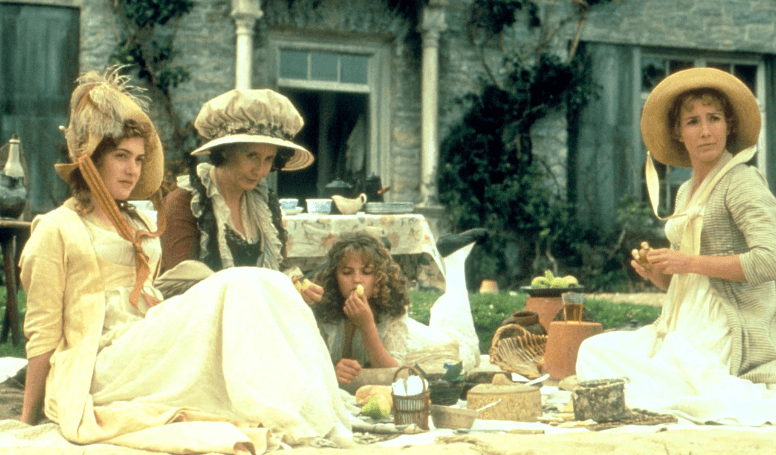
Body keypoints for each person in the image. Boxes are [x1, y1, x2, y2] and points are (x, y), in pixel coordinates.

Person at [20, 69, 354, 453]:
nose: (133, 169)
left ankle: (314, 411)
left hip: (145, 343)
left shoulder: (139, 222)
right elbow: (42, 331)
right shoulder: (57, 228)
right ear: (92, 160)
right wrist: (29, 418)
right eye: (120, 157)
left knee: (273, 284)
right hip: (99, 362)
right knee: (241, 282)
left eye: (140, 159)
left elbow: (156, 294)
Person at [576, 67, 776, 425]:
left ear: (729, 126)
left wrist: (687, 261)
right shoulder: (685, 191)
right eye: (692, 121)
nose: (705, 131)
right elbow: (689, 285)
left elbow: (768, 263)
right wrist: (657, 274)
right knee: (594, 350)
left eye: (714, 118)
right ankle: (679, 384)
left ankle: (710, 390)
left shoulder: (742, 181)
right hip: (687, 319)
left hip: (731, 323)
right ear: (678, 132)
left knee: (682, 369)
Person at [160, 88, 323, 304]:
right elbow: (177, 288)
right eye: (252, 155)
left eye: (268, 159)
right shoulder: (185, 202)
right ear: (226, 151)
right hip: (201, 318)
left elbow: (275, 268)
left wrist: (294, 283)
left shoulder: (264, 205)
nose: (261, 170)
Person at [312, 231, 481, 385]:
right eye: (347, 272)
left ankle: (455, 259)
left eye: (367, 271)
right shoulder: (322, 307)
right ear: (335, 276)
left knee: (466, 350)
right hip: (406, 341)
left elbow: (394, 374)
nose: (357, 280)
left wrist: (366, 324)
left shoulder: (390, 307)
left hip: (423, 349)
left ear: (378, 275)